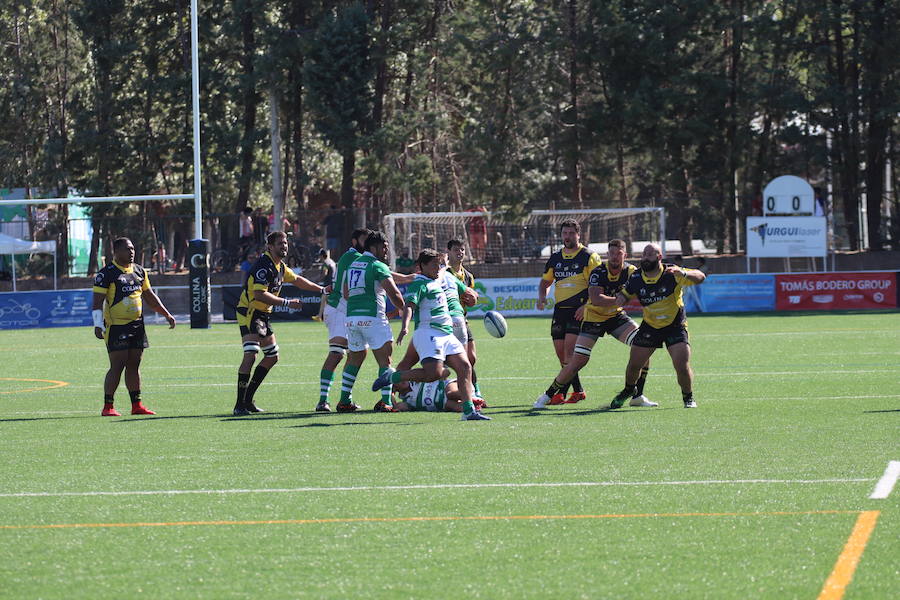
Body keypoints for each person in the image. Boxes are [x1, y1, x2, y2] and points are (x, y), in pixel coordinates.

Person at [534, 239, 656, 409]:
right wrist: (621, 299)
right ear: (607, 255)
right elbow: (597, 299)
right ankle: (547, 395)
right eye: (611, 253)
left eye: (618, 254)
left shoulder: (631, 272)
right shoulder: (598, 272)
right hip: (594, 318)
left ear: (625, 255)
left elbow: (648, 284)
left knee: (643, 346)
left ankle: (637, 395)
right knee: (577, 362)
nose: (614, 257)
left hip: (615, 317)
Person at [371, 248, 489, 421]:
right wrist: (404, 327)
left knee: (465, 367)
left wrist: (446, 265)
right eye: (433, 264)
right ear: (422, 267)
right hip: (428, 333)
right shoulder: (419, 283)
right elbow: (409, 306)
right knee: (433, 374)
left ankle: (469, 411)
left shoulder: (437, 277)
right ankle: (392, 377)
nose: (437, 267)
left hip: (447, 334)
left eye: (438, 264)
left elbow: (442, 272)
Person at [601, 243, 706, 409]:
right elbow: (623, 296)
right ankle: (629, 390)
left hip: (675, 325)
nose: (645, 257)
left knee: (681, 366)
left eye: (650, 254)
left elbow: (701, 277)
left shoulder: (672, 272)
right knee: (634, 365)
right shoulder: (636, 278)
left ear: (659, 257)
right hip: (650, 326)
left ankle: (688, 397)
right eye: (644, 254)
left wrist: (684, 273)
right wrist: (616, 301)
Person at [234, 231, 327, 416]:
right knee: (251, 355)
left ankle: (247, 401)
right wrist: (287, 303)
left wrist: (322, 289)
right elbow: (259, 294)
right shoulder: (264, 266)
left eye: (285, 243)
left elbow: (298, 280)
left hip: (262, 314)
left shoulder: (280, 267)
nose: (284, 246)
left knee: (272, 356)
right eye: (280, 243)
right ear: (270, 246)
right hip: (250, 311)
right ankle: (239, 405)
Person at [92, 237, 176, 416]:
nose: (131, 252)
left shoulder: (139, 271)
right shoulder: (106, 273)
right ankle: (108, 406)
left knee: (134, 364)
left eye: (132, 249)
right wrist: (98, 324)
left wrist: (166, 314)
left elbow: (149, 296)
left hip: (137, 325)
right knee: (117, 365)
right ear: (116, 252)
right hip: (116, 327)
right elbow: (97, 302)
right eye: (127, 249)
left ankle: (136, 405)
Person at [537, 219, 602, 404]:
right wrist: (542, 297)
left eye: (571, 233)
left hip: (579, 310)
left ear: (578, 235)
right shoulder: (555, 258)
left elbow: (598, 284)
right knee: (561, 356)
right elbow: (545, 282)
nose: (567, 237)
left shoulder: (589, 256)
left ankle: (558, 393)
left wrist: (587, 305)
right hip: (560, 311)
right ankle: (578, 391)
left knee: (569, 353)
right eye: (564, 233)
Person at [340, 231, 406, 412]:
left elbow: (345, 293)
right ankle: (386, 402)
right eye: (384, 247)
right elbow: (394, 293)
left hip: (352, 318)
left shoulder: (353, 264)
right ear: (374, 247)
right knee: (385, 360)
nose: (386, 251)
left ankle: (344, 400)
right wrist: (403, 308)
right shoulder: (378, 266)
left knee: (355, 358)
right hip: (373, 318)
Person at [317, 228, 371, 412]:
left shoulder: (360, 258)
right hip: (339, 309)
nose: (369, 243)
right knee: (337, 353)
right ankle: (323, 400)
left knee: (358, 353)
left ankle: (345, 400)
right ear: (355, 241)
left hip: (349, 311)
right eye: (365, 239)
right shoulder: (353, 257)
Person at [446, 239, 485, 402]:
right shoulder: (444, 273)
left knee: (471, 358)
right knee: (451, 360)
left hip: (462, 320)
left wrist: (472, 300)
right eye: (456, 250)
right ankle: (451, 391)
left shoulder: (468, 276)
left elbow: (473, 297)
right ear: (448, 252)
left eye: (462, 250)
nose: (460, 253)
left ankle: (474, 390)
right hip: (446, 321)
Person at [393, 377, 468, 413]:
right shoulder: (407, 401)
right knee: (459, 408)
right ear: (395, 388)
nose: (401, 380)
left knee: (451, 394)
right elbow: (396, 407)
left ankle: (471, 397)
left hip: (445, 387)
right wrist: (390, 393)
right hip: (443, 403)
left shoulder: (416, 379)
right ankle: (475, 405)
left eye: (401, 378)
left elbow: (444, 373)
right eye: (397, 382)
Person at [316, 248, 336, 321]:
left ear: (322, 256)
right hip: (333, 284)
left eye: (320, 256)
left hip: (328, 285)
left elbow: (324, 273)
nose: (319, 258)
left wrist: (317, 280)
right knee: (327, 302)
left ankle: (319, 316)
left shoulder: (325, 263)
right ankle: (323, 317)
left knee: (323, 301)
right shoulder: (332, 262)